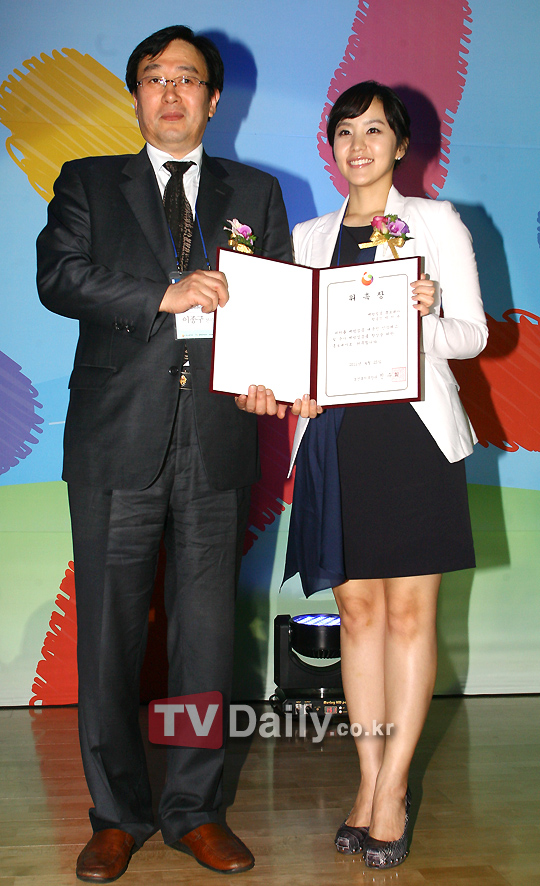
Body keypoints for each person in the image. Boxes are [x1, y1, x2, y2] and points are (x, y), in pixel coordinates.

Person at [36, 24, 302, 881]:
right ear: (136, 96)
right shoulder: (87, 182)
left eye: (187, 78)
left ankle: (194, 810)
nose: (172, 92)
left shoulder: (255, 192)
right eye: (155, 77)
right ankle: (116, 816)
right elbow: (59, 277)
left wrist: (272, 377)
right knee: (108, 638)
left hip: (217, 441)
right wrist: (164, 292)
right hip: (115, 438)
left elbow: (278, 306)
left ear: (214, 100)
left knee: (204, 640)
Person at [284, 81, 487, 869]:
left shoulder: (435, 222)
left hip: (412, 440)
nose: (358, 144)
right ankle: (368, 780)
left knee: (408, 617)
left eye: (374, 131)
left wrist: (425, 315)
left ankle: (395, 788)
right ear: (332, 147)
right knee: (357, 616)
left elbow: (472, 335)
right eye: (345, 131)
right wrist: (290, 383)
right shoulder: (307, 237)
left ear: (401, 146)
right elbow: (295, 347)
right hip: (336, 440)